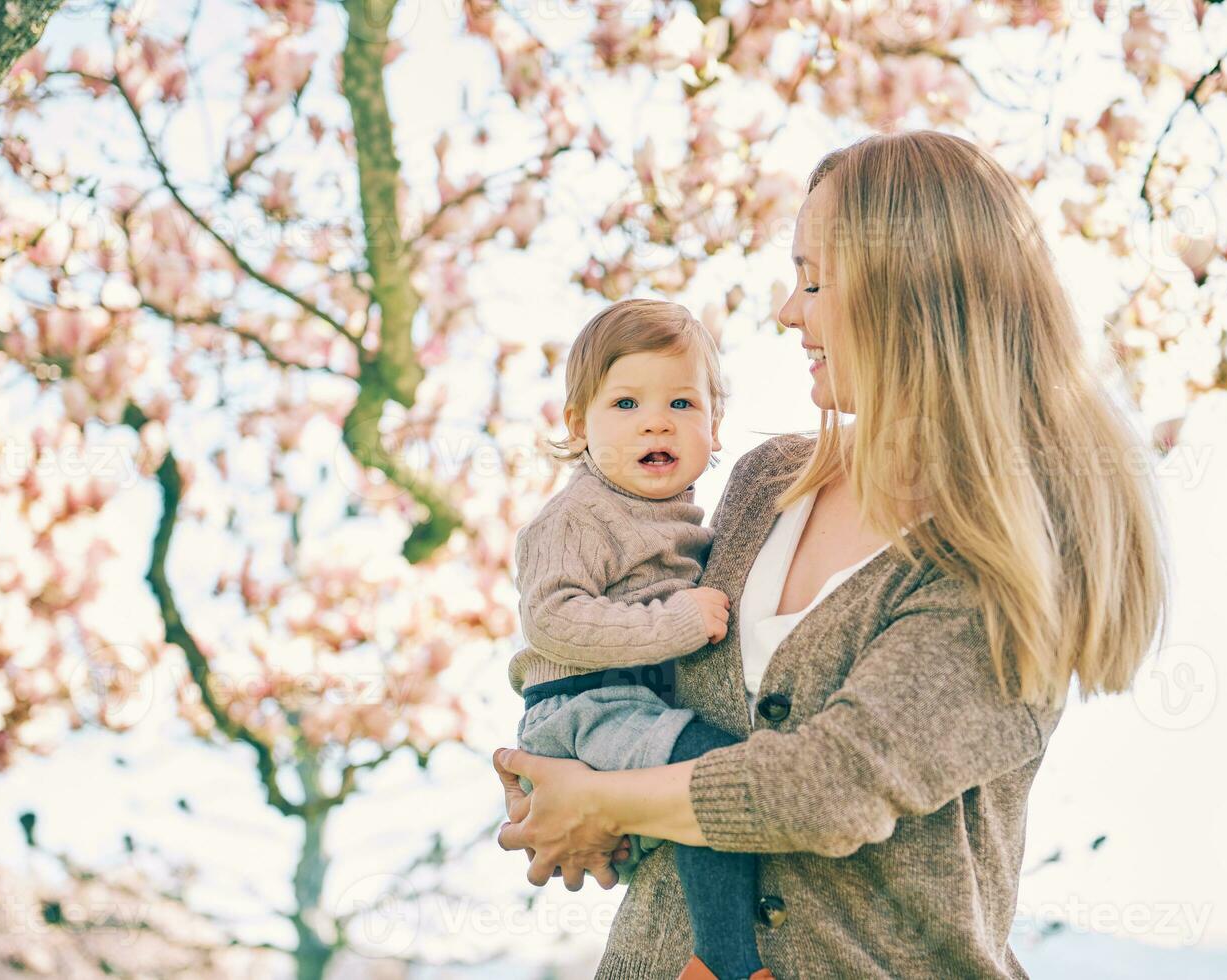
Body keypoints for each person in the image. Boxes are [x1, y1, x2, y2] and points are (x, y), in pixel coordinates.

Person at [493, 130, 1171, 979]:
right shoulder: (760, 485)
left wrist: (602, 799)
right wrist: (555, 770)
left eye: (813, 281)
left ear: (914, 295)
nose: (786, 311)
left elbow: (829, 787)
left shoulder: (1015, 556)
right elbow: (633, 660)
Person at [508, 297, 775, 980]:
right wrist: (672, 626)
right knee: (709, 776)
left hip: (630, 705)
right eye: (625, 404)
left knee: (691, 800)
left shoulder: (684, 519)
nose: (656, 419)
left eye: (682, 404)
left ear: (715, 429)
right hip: (583, 706)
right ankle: (725, 964)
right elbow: (553, 618)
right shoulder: (578, 516)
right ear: (578, 424)